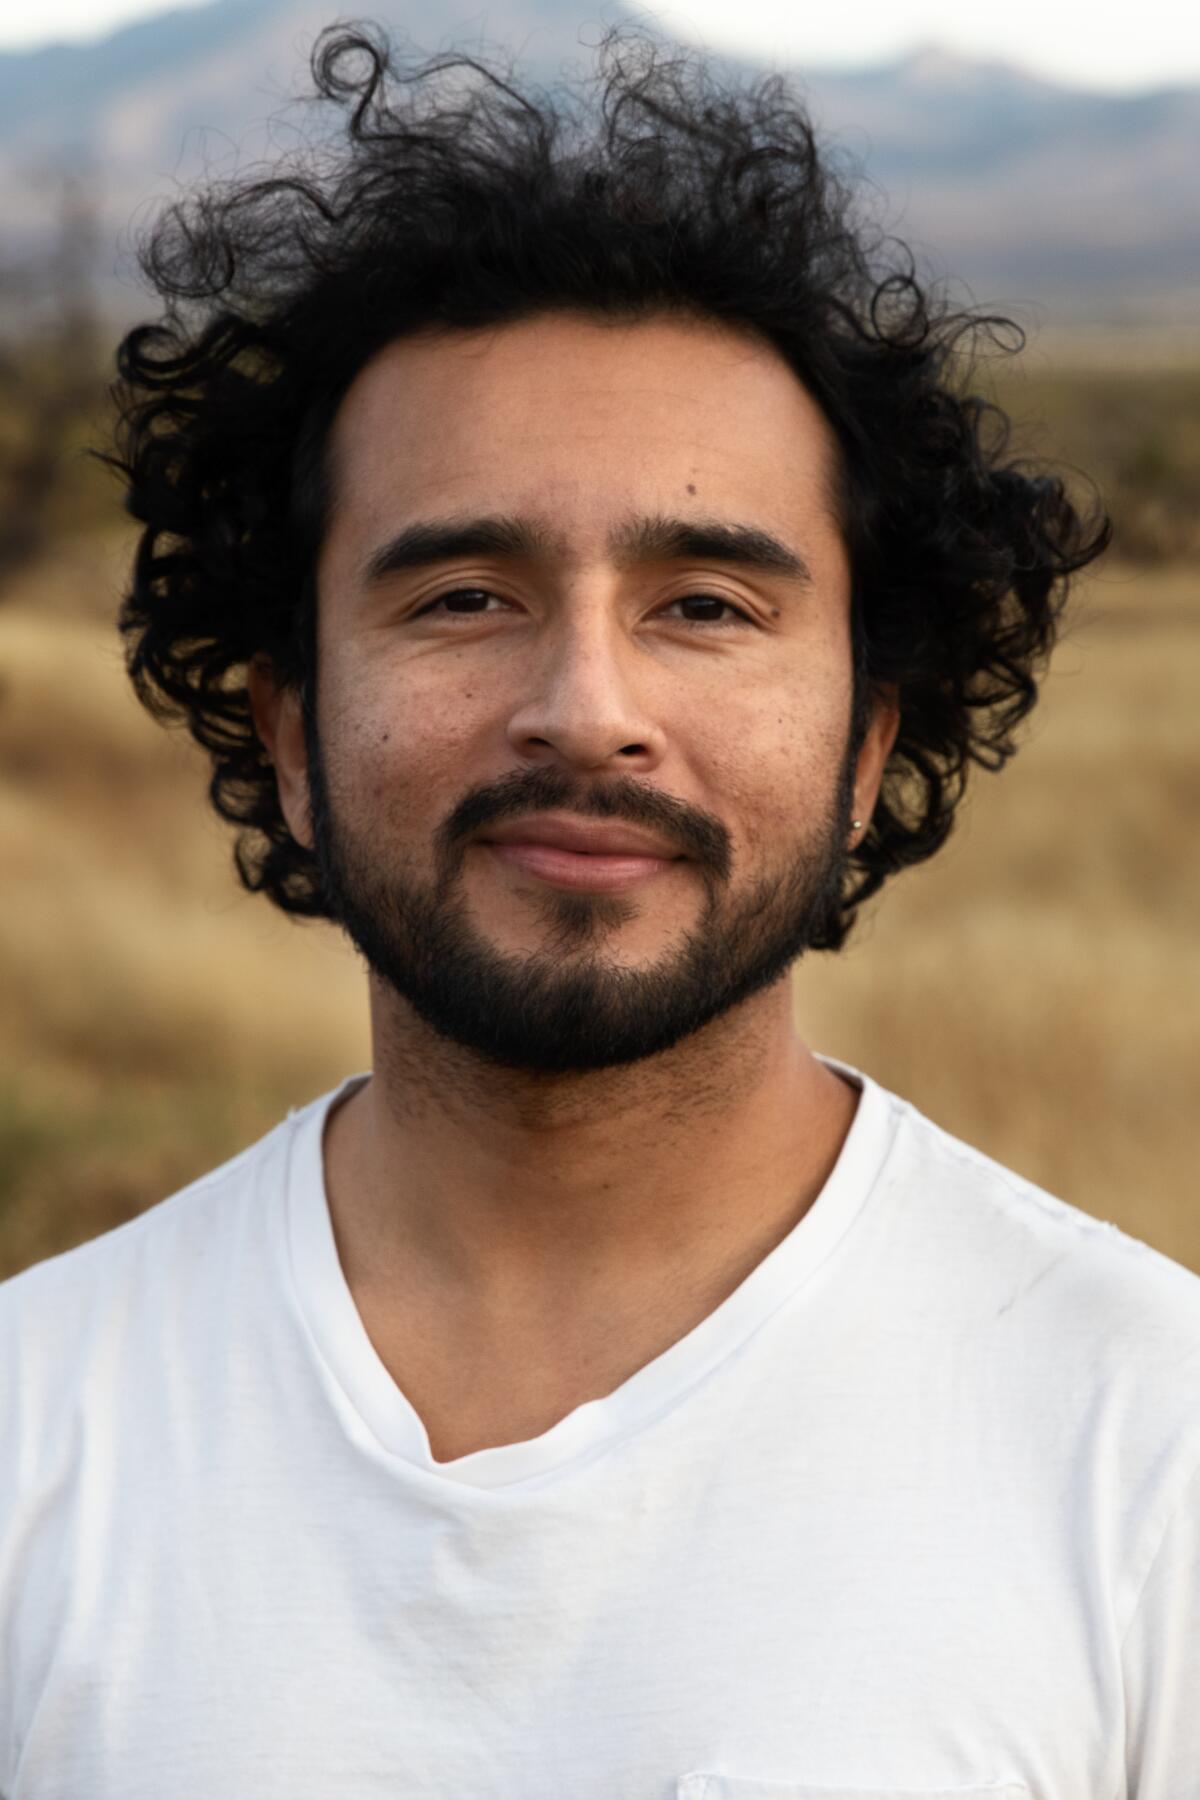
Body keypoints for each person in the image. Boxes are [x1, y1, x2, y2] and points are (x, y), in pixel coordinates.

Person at [1, 25, 1196, 1800]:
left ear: (870, 741)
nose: (585, 705)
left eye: (707, 603)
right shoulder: (34, 1431)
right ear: (291, 731)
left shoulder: (1150, 1452)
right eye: (466, 594)